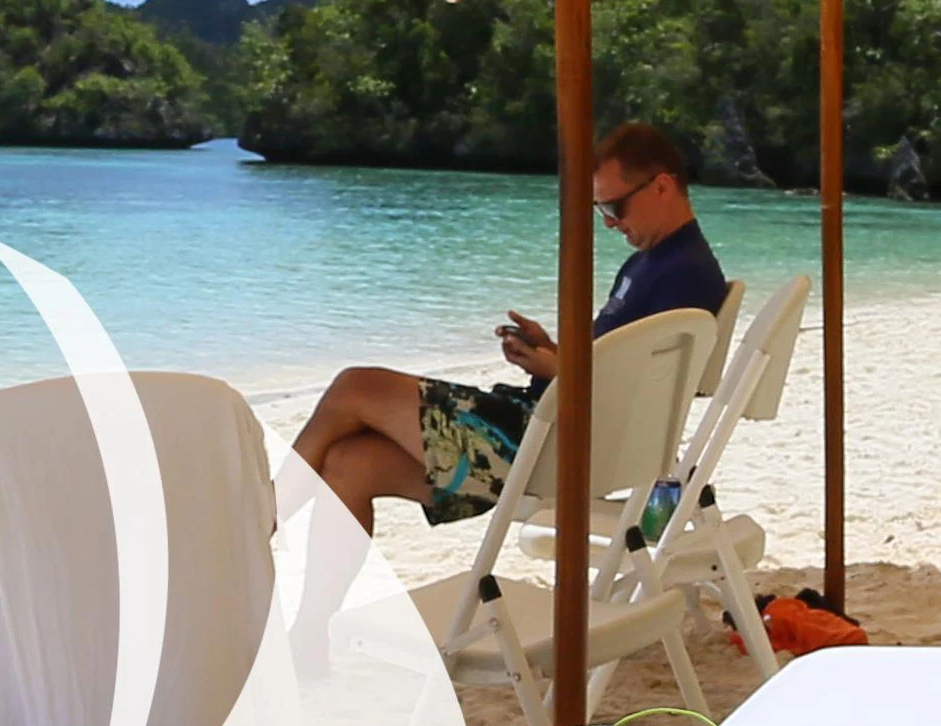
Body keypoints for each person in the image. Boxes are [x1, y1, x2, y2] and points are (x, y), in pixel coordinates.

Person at [296, 119, 730, 530]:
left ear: (662, 186)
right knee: (349, 464)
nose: (609, 222)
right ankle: (311, 585)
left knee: (356, 387)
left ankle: (266, 516)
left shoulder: (684, 274)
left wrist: (551, 368)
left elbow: (633, 396)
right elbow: (612, 367)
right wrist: (551, 352)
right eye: (600, 209)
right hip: (544, 431)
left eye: (615, 206)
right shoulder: (654, 264)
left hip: (546, 448)